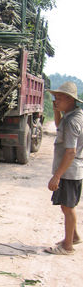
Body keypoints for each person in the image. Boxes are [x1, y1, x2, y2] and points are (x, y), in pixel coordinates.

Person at [45, 81, 83, 255]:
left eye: (59, 98)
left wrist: (57, 176)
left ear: (69, 99)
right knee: (67, 206)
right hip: (70, 170)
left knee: (68, 208)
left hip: (69, 171)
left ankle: (68, 246)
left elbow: (70, 152)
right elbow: (60, 127)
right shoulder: (73, 115)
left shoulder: (72, 121)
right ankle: (73, 236)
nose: (56, 101)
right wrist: (55, 111)